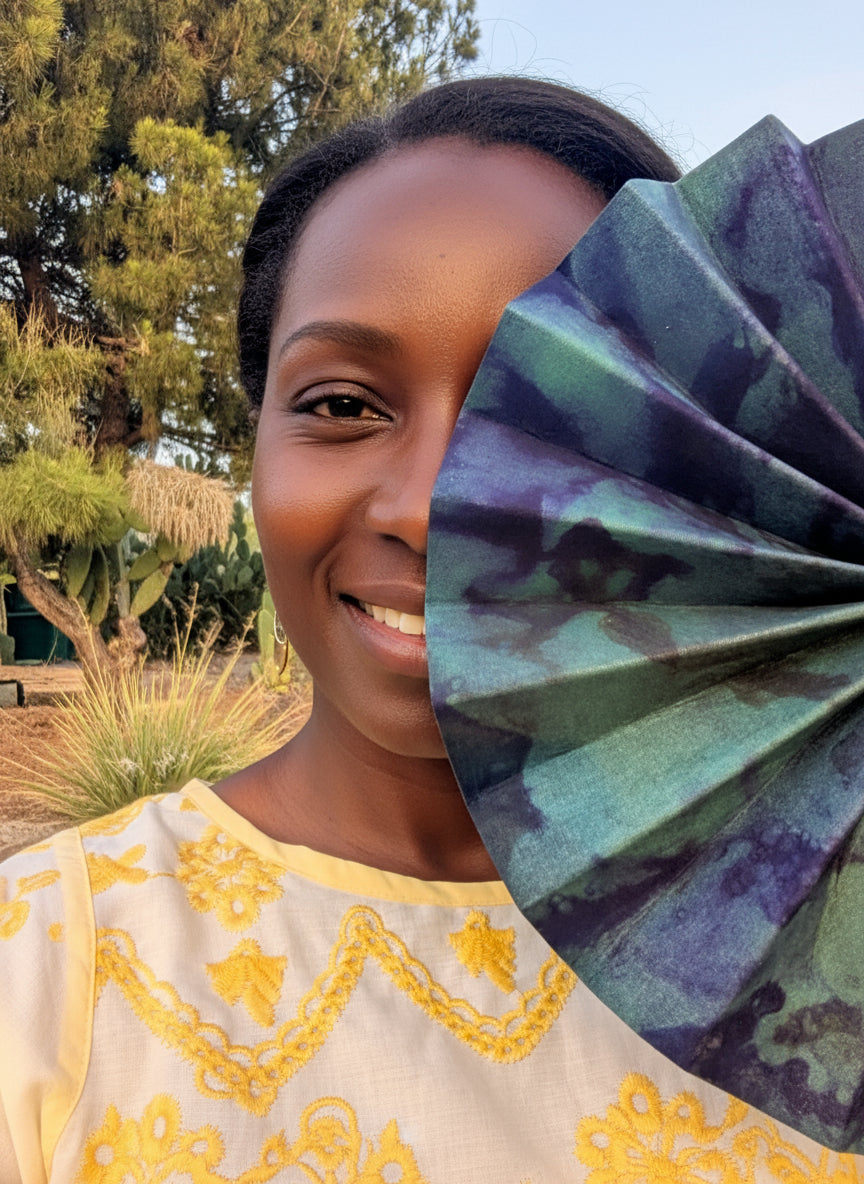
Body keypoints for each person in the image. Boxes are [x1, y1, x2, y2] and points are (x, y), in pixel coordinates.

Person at [0, 76, 858, 1183]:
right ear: (254, 439)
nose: (429, 507)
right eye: (342, 403)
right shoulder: (48, 971)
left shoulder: (827, 945)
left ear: (702, 469)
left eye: (544, 412)